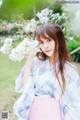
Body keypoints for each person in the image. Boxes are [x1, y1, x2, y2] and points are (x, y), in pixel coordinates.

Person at [13, 23, 80, 120]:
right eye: (41, 42)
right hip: (32, 114)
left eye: (49, 40)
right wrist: (29, 61)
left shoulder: (69, 70)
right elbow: (24, 88)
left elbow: (75, 105)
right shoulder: (36, 63)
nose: (45, 46)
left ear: (59, 40)